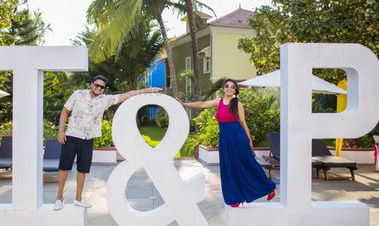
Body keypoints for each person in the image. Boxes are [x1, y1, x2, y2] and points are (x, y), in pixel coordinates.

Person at [53, 75, 162, 210]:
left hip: (88, 138)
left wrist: (148, 90)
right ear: (91, 84)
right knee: (64, 167)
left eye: (101, 87)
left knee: (82, 169)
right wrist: (61, 132)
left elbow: (127, 94)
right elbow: (65, 111)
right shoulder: (78, 94)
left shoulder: (105, 100)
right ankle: (59, 198)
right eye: (96, 85)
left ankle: (78, 199)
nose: (98, 88)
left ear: (104, 89)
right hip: (71, 136)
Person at [177, 78, 275, 207]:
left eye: (232, 87)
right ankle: (235, 198)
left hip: (238, 138)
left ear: (235, 90)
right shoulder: (218, 102)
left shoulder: (237, 104)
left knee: (248, 164)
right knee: (229, 167)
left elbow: (243, 123)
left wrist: (249, 141)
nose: (229, 88)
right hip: (225, 139)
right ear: (223, 88)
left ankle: (269, 188)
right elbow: (202, 104)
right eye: (227, 86)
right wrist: (184, 104)